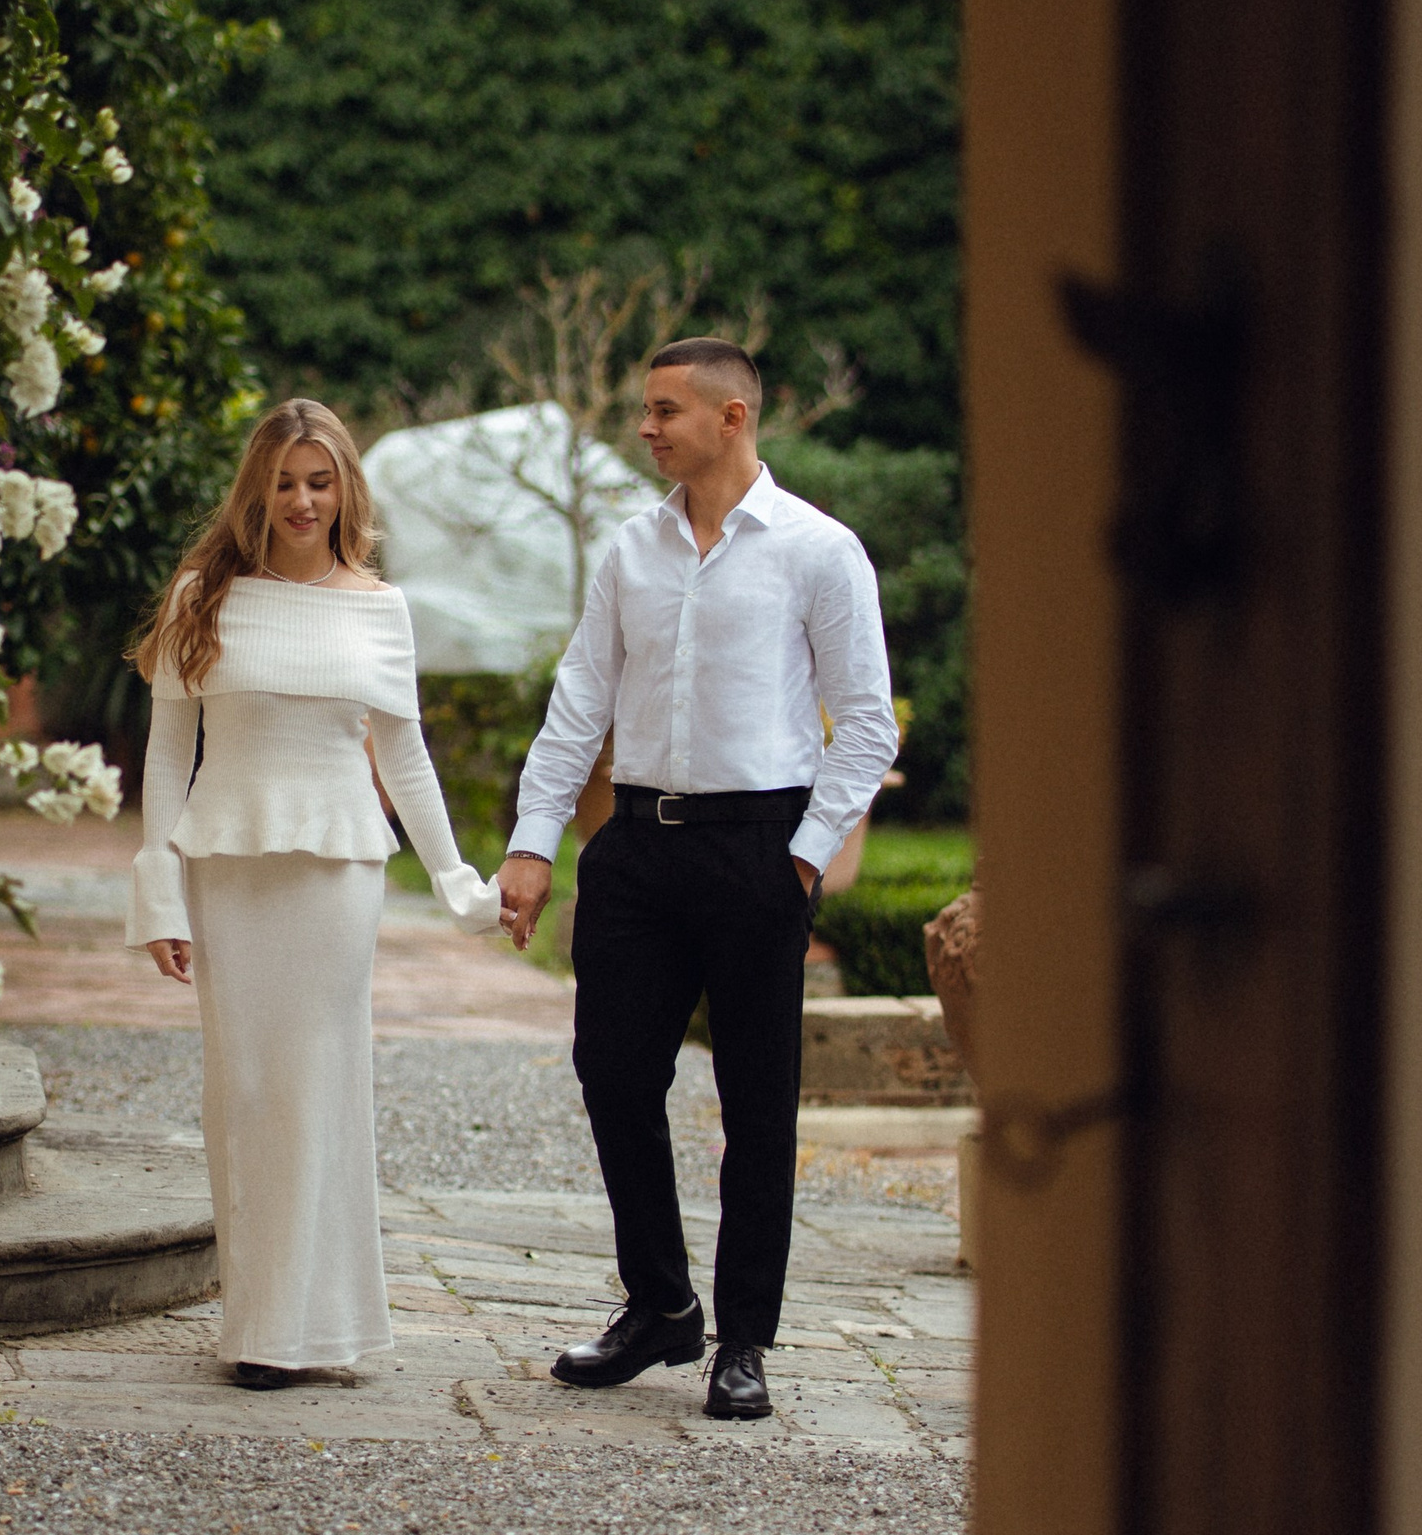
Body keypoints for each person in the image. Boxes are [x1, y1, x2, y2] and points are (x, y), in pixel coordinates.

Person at [498, 340, 899, 1421]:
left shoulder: (819, 551)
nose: (645, 426)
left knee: (757, 1100)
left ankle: (744, 1340)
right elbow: (580, 700)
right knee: (612, 1073)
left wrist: (804, 855)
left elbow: (864, 724)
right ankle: (662, 1303)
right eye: (643, 408)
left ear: (731, 417)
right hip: (635, 844)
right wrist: (535, 843)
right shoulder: (632, 548)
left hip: (756, 845)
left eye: (664, 409)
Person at [130, 399, 502, 1386]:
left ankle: (304, 1330)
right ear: (258, 487)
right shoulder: (201, 595)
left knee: (318, 1083)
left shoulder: (381, 607)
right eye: (285, 480)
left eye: (319, 480)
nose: (302, 499)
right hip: (227, 863)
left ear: (346, 490)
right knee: (243, 1088)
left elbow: (407, 759)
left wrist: (460, 882)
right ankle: (258, 1322)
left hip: (337, 870)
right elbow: (167, 760)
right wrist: (158, 892)